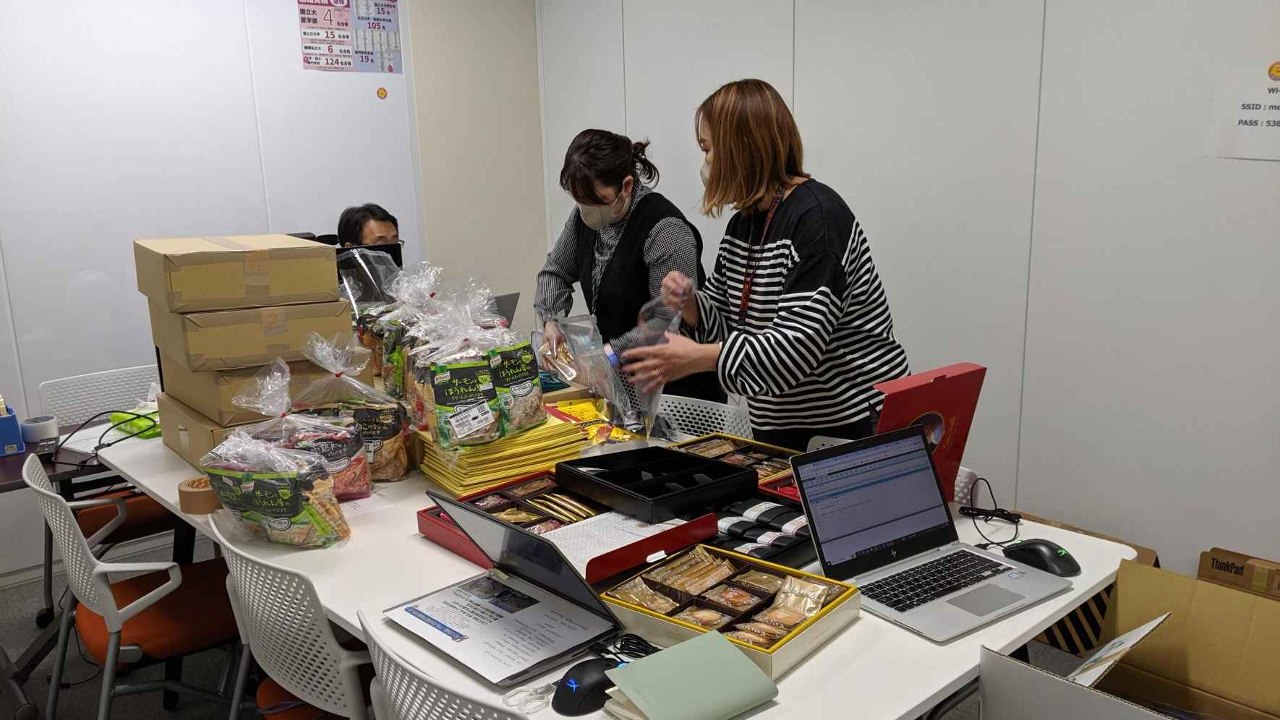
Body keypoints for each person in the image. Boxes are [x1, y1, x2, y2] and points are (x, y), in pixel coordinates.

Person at [622, 79, 910, 450]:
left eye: (708, 149)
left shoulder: (818, 219)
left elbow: (796, 349)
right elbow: (729, 326)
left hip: (849, 425)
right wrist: (692, 305)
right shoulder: (743, 225)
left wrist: (698, 358)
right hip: (782, 425)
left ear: (742, 147)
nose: (706, 164)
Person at [535, 129, 724, 402]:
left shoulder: (665, 230)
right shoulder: (585, 218)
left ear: (626, 186)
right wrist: (551, 321)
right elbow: (554, 272)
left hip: (676, 393)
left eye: (596, 201)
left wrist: (609, 354)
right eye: (580, 201)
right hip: (625, 389)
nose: (587, 211)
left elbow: (666, 320)